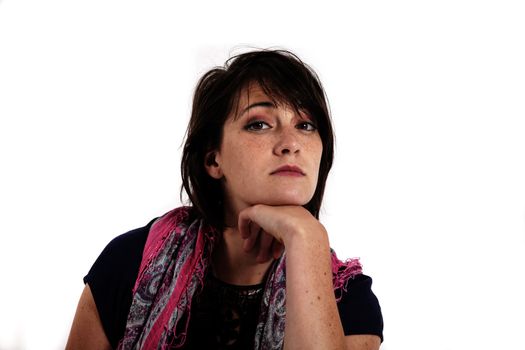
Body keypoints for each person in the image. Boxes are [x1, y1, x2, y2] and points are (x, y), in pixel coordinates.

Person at [66, 49, 384, 350]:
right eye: (259, 124)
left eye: (305, 125)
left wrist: (306, 236)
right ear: (213, 160)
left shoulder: (350, 299)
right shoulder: (128, 262)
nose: (291, 143)